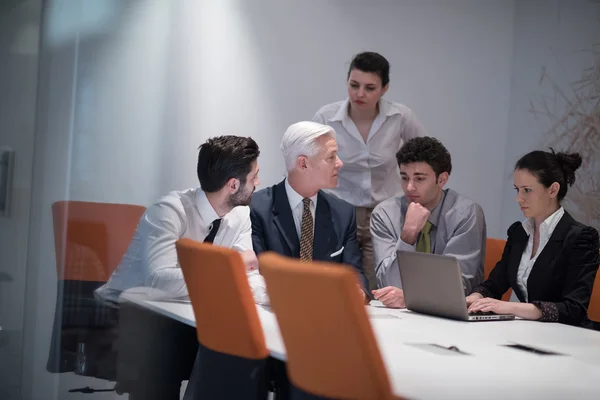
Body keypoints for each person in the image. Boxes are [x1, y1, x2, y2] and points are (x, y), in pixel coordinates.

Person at [95, 135, 264, 304]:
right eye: (254, 177)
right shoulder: (168, 211)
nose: (258, 182)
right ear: (233, 185)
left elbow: (248, 274)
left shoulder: (240, 215)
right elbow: (158, 282)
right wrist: (229, 266)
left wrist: (276, 297)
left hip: (182, 312)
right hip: (119, 312)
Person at [313, 51, 427, 292]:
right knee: (337, 282)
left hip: (385, 212)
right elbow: (311, 162)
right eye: (354, 85)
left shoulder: (400, 116)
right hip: (339, 212)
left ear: (384, 88)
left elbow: (425, 156)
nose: (360, 94)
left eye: (370, 87)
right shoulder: (326, 117)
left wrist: (418, 194)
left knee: (379, 285)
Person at [467, 150, 599, 326]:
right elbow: (493, 285)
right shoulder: (519, 233)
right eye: (517, 190)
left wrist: (511, 308)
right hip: (529, 330)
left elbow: (573, 309)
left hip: (569, 336)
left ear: (553, 190)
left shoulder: (581, 238)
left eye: (527, 190)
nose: (518, 199)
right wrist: (473, 298)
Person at [250, 121, 368, 299]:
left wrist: (358, 291)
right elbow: (255, 277)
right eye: (331, 157)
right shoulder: (256, 209)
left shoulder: (344, 213)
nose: (340, 163)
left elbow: (355, 274)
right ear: (303, 164)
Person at [370, 137, 486, 308]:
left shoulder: (465, 214)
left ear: (442, 179)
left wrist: (409, 298)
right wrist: (408, 234)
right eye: (404, 177)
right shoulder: (385, 214)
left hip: (452, 317)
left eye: (419, 179)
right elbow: (388, 284)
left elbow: (457, 286)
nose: (409, 187)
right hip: (398, 317)